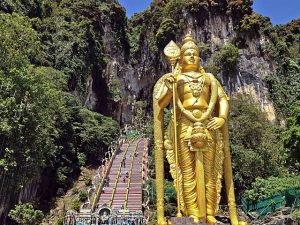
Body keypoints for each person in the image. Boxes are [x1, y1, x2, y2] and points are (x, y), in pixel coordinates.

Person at [153, 34, 246, 225]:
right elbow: (160, 104)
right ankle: (193, 212)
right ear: (180, 58)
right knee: (187, 171)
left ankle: (210, 211)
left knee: (211, 170)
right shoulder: (176, 78)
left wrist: (221, 118)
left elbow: (222, 100)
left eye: (195, 53)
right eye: (187, 54)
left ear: (200, 57)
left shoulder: (209, 78)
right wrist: (171, 88)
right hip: (184, 125)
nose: (192, 57)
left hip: (208, 123)